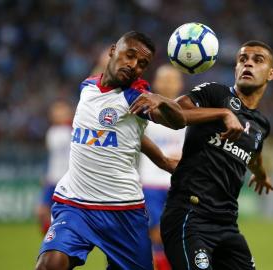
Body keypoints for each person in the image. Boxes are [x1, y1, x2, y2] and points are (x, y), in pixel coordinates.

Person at [35, 31, 186, 270]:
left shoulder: (137, 97)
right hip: (76, 205)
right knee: (49, 264)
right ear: (113, 51)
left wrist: (162, 100)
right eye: (130, 55)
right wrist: (164, 161)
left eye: (142, 64)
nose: (134, 65)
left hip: (123, 211)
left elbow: (177, 121)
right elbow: (125, 136)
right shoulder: (87, 87)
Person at [160, 40, 273, 270]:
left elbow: (254, 154)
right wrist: (222, 113)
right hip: (189, 216)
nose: (248, 64)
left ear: (271, 74)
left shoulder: (261, 125)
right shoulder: (215, 93)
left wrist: (261, 175)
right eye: (243, 59)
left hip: (227, 225)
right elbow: (173, 110)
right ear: (235, 68)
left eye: (257, 60)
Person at [139, 64, 185, 270]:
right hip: (150, 184)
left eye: (172, 79)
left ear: (180, 84)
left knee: (178, 237)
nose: (167, 83)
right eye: (163, 78)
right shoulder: (143, 109)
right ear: (155, 82)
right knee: (156, 234)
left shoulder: (188, 111)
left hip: (178, 184)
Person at [36, 101, 73, 234]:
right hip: (52, 178)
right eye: (55, 111)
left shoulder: (72, 130)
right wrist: (45, 174)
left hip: (66, 179)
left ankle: (59, 240)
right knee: (41, 212)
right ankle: (50, 239)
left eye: (61, 111)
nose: (57, 114)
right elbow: (51, 157)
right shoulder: (51, 132)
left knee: (63, 214)